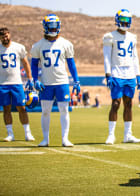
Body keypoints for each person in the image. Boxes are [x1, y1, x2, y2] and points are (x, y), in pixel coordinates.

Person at [31, 14, 81, 147]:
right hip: (46, 83)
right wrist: (35, 79)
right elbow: (34, 64)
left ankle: (65, 138)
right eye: (51, 27)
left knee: (64, 110)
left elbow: (71, 64)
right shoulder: (38, 46)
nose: (53, 30)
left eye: (55, 27)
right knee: (45, 111)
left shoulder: (66, 44)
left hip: (62, 82)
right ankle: (45, 139)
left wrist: (76, 81)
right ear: (45, 27)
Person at [103, 9, 140, 145]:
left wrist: (138, 74)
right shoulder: (109, 36)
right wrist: (108, 74)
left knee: (129, 103)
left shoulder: (132, 37)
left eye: (127, 21)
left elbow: (135, 57)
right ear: (117, 20)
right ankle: (111, 134)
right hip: (116, 72)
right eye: (123, 20)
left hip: (130, 73)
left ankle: (128, 135)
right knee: (115, 103)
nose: (125, 23)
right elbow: (107, 57)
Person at [0, 27, 35, 142]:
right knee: (6, 109)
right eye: (2, 36)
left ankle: (27, 133)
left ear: (9, 34)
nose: (5, 38)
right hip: (2, 84)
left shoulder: (18, 47)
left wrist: (30, 78)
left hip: (16, 83)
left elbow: (26, 64)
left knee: (22, 108)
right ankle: (10, 134)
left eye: (6, 35)